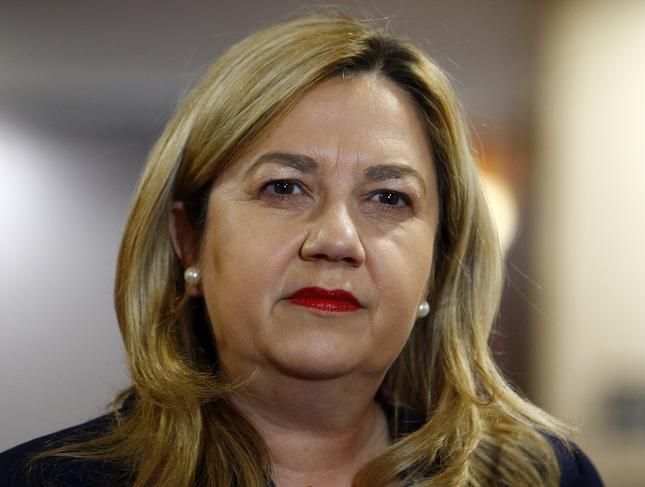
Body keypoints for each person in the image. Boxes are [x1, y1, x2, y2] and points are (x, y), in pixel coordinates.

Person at [0, 12, 604, 487]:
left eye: (389, 198)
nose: (337, 240)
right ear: (189, 239)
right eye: (284, 188)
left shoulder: (544, 477)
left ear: (439, 267)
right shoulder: (40, 480)